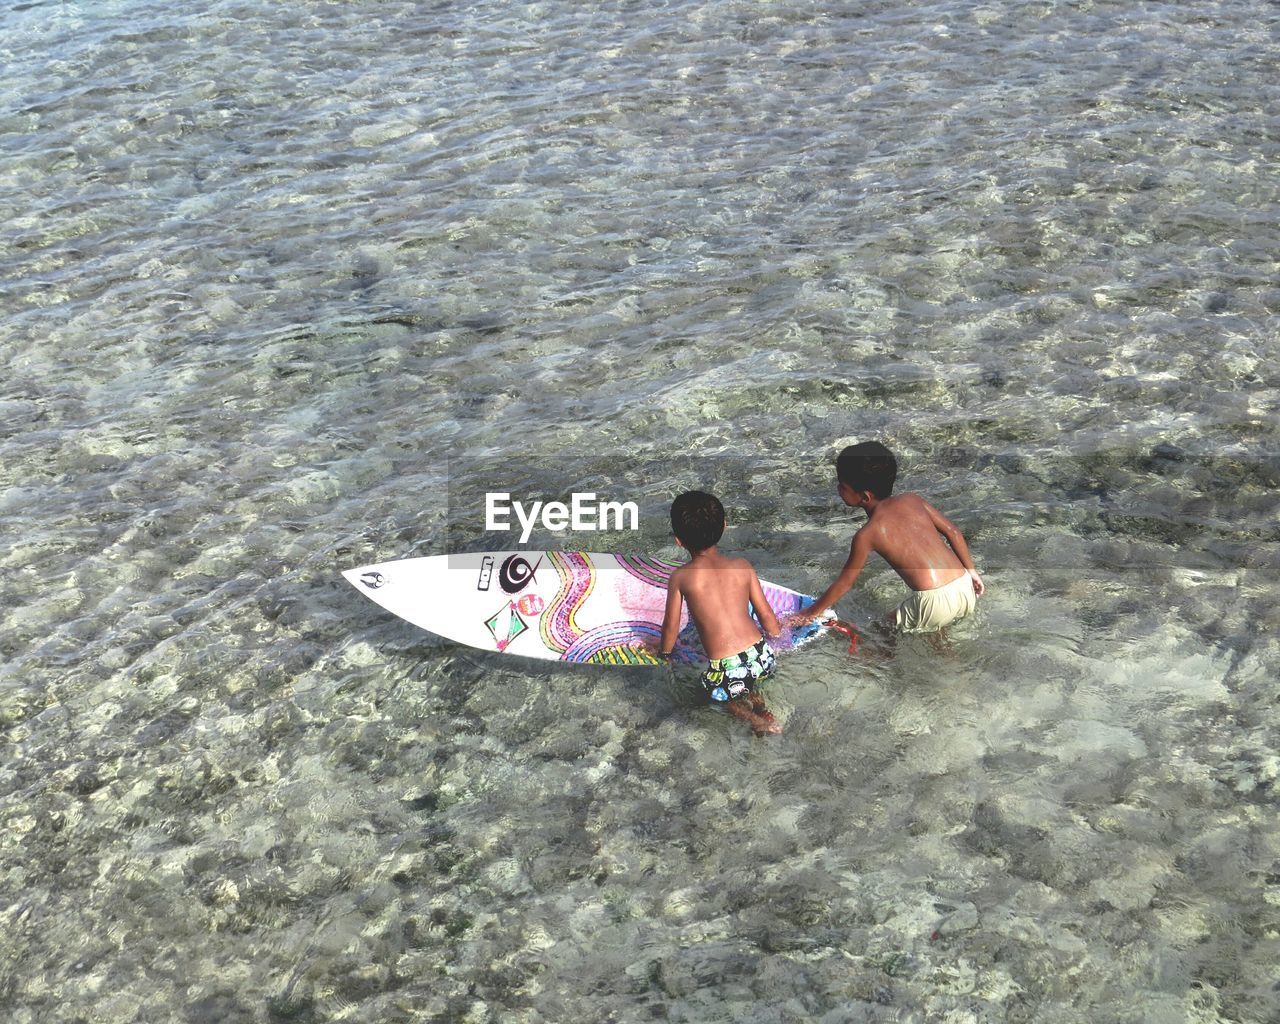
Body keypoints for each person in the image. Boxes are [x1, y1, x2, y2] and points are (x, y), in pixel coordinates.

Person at [797, 442, 984, 633]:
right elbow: (953, 531)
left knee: (877, 634)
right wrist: (972, 572)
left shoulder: (867, 534)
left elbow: (845, 583)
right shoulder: (913, 499)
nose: (838, 489)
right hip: (963, 585)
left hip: (933, 600)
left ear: (865, 497)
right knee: (934, 634)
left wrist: (810, 613)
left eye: (843, 486)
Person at [658, 490, 784, 735]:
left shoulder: (682, 577)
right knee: (751, 684)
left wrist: (663, 654)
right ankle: (761, 708)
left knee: (724, 698)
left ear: (678, 540)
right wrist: (779, 639)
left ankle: (755, 720)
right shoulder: (742, 567)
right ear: (725, 526)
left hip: (725, 667)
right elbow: (767, 617)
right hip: (761, 655)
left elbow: (671, 626)